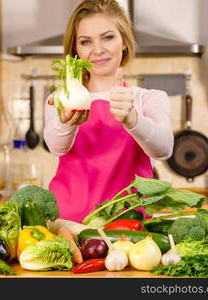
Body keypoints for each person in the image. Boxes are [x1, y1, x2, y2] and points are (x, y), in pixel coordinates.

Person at [44, 0, 174, 223]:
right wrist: (67, 121)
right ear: (75, 50)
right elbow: (57, 147)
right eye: (86, 42)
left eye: (108, 37)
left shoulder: (148, 98)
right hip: (67, 226)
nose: (98, 50)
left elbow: (164, 149)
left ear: (124, 42)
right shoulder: (61, 99)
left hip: (127, 228)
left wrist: (132, 118)